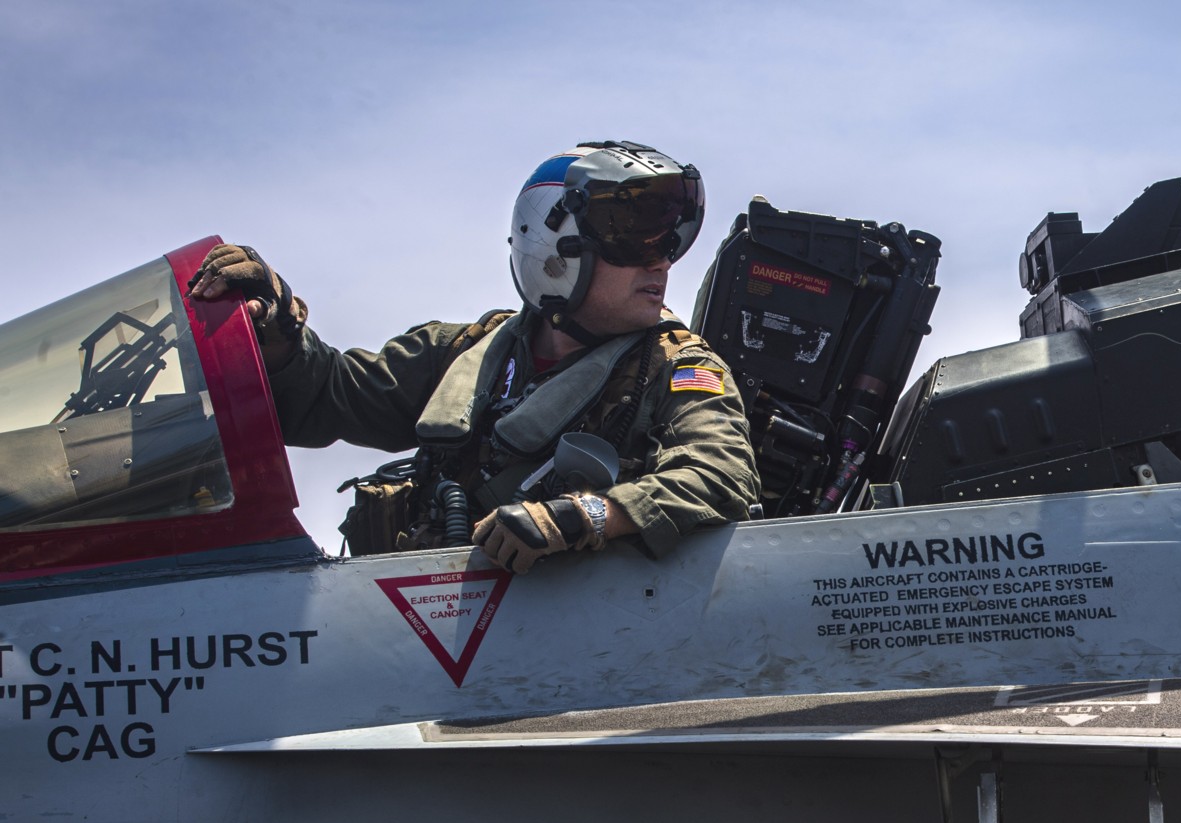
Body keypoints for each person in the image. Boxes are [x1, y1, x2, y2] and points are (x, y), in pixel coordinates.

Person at [189, 140, 760, 572]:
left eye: (667, 243)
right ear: (553, 248)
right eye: (635, 241)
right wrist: (276, 332)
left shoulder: (679, 366)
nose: (662, 262)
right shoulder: (462, 352)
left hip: (578, 659)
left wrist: (587, 516)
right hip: (426, 624)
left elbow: (719, 473)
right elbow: (328, 396)